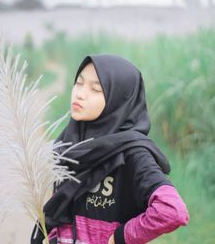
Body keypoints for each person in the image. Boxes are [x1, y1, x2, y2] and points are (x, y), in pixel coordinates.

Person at [30, 54, 189, 244]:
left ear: (119, 98)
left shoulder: (132, 152)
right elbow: (58, 208)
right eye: (79, 83)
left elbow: (172, 211)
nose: (80, 93)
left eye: (95, 89)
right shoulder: (68, 142)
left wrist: (121, 237)